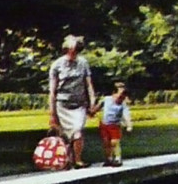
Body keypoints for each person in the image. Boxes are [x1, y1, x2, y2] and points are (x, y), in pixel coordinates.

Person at [47, 36, 95, 169]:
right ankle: (67, 159)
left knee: (78, 130)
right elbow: (52, 90)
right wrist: (52, 112)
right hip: (62, 104)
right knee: (65, 135)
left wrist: (92, 103)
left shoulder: (83, 63)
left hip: (79, 104)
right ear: (67, 49)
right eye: (72, 50)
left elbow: (89, 85)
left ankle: (78, 160)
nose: (74, 53)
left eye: (76, 51)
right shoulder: (57, 65)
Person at [98, 82, 135, 167]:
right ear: (113, 94)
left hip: (115, 125)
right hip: (104, 124)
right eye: (119, 96)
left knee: (115, 142)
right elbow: (99, 106)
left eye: (123, 97)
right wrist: (93, 111)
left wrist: (129, 125)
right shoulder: (106, 99)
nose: (120, 99)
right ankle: (109, 158)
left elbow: (126, 116)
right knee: (106, 142)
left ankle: (118, 158)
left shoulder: (123, 105)